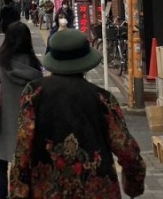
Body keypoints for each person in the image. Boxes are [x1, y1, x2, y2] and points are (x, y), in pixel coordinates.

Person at [10, 29, 146, 199]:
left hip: (47, 189)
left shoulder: (33, 93)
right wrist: (134, 186)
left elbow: (22, 148)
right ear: (85, 61)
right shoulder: (103, 98)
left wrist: (18, 192)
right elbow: (128, 151)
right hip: (97, 190)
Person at [0, 21, 43, 199]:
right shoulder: (35, 65)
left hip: (3, 121)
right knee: (27, 165)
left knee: (1, 165)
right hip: (29, 124)